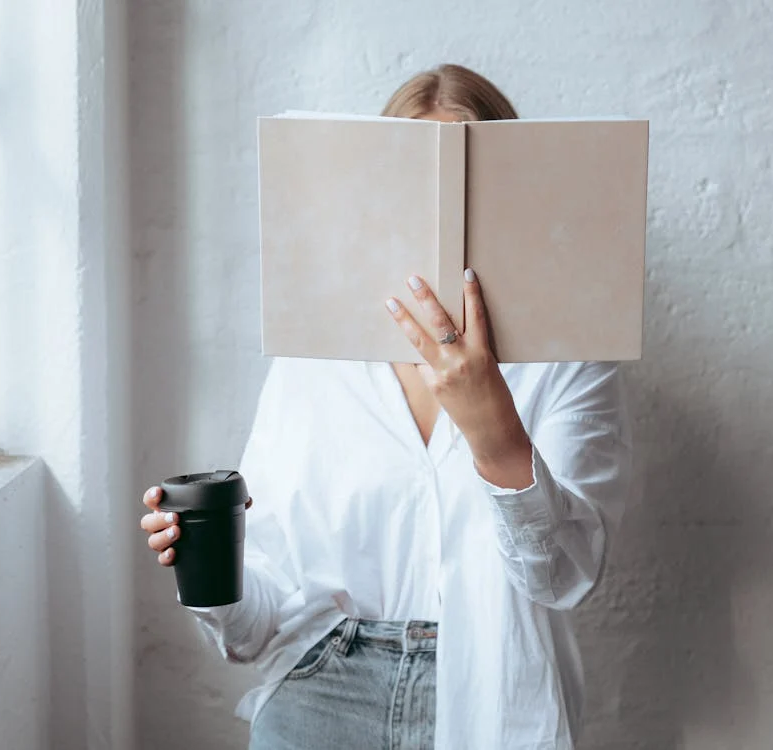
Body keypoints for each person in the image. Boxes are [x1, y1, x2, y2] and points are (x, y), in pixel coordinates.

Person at [139, 63, 632, 750]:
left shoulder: (569, 360)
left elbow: (565, 577)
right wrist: (207, 572)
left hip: (492, 698)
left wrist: (492, 430)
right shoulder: (315, 359)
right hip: (323, 687)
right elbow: (254, 631)